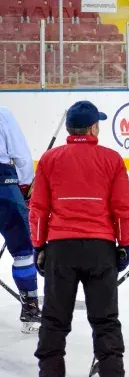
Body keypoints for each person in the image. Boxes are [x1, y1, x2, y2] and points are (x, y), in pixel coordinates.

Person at [29, 101, 129, 376]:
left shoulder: (50, 159)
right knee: (106, 321)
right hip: (100, 249)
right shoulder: (111, 159)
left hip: (61, 250)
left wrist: (39, 245)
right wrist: (124, 246)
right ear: (93, 128)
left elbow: (38, 209)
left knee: (53, 321)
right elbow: (122, 208)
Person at [0, 106, 40, 334]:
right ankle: (31, 309)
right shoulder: (2, 114)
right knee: (23, 250)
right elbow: (21, 156)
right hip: (3, 188)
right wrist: (25, 187)